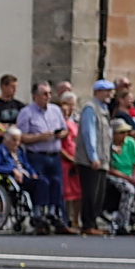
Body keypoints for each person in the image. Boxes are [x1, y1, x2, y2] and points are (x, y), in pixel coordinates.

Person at [14, 83, 69, 233]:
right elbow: (21, 137)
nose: (48, 97)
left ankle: (53, 212)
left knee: (56, 183)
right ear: (35, 96)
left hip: (54, 154)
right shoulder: (27, 112)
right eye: (44, 94)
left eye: (49, 93)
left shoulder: (55, 110)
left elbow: (65, 130)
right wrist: (40, 137)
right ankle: (38, 214)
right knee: (41, 183)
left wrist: (59, 134)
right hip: (36, 154)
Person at [76, 80, 114, 236]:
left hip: (102, 159)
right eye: (107, 91)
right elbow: (89, 133)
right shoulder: (90, 109)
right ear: (98, 92)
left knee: (99, 194)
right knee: (91, 193)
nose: (110, 94)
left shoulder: (104, 109)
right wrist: (93, 157)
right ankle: (88, 224)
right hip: (90, 160)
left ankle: (94, 222)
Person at [57, 90, 83, 230]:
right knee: (66, 193)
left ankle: (75, 219)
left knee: (78, 192)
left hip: (75, 160)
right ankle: (65, 218)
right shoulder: (59, 127)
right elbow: (59, 146)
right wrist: (70, 158)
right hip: (65, 162)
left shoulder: (72, 123)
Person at [0, 126, 38, 197]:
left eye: (19, 140)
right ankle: (37, 207)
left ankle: (44, 206)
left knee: (45, 181)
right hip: (12, 179)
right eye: (14, 140)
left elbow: (27, 165)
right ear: (6, 139)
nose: (17, 143)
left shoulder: (19, 151)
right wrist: (12, 170)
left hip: (25, 176)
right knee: (38, 184)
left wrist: (33, 173)